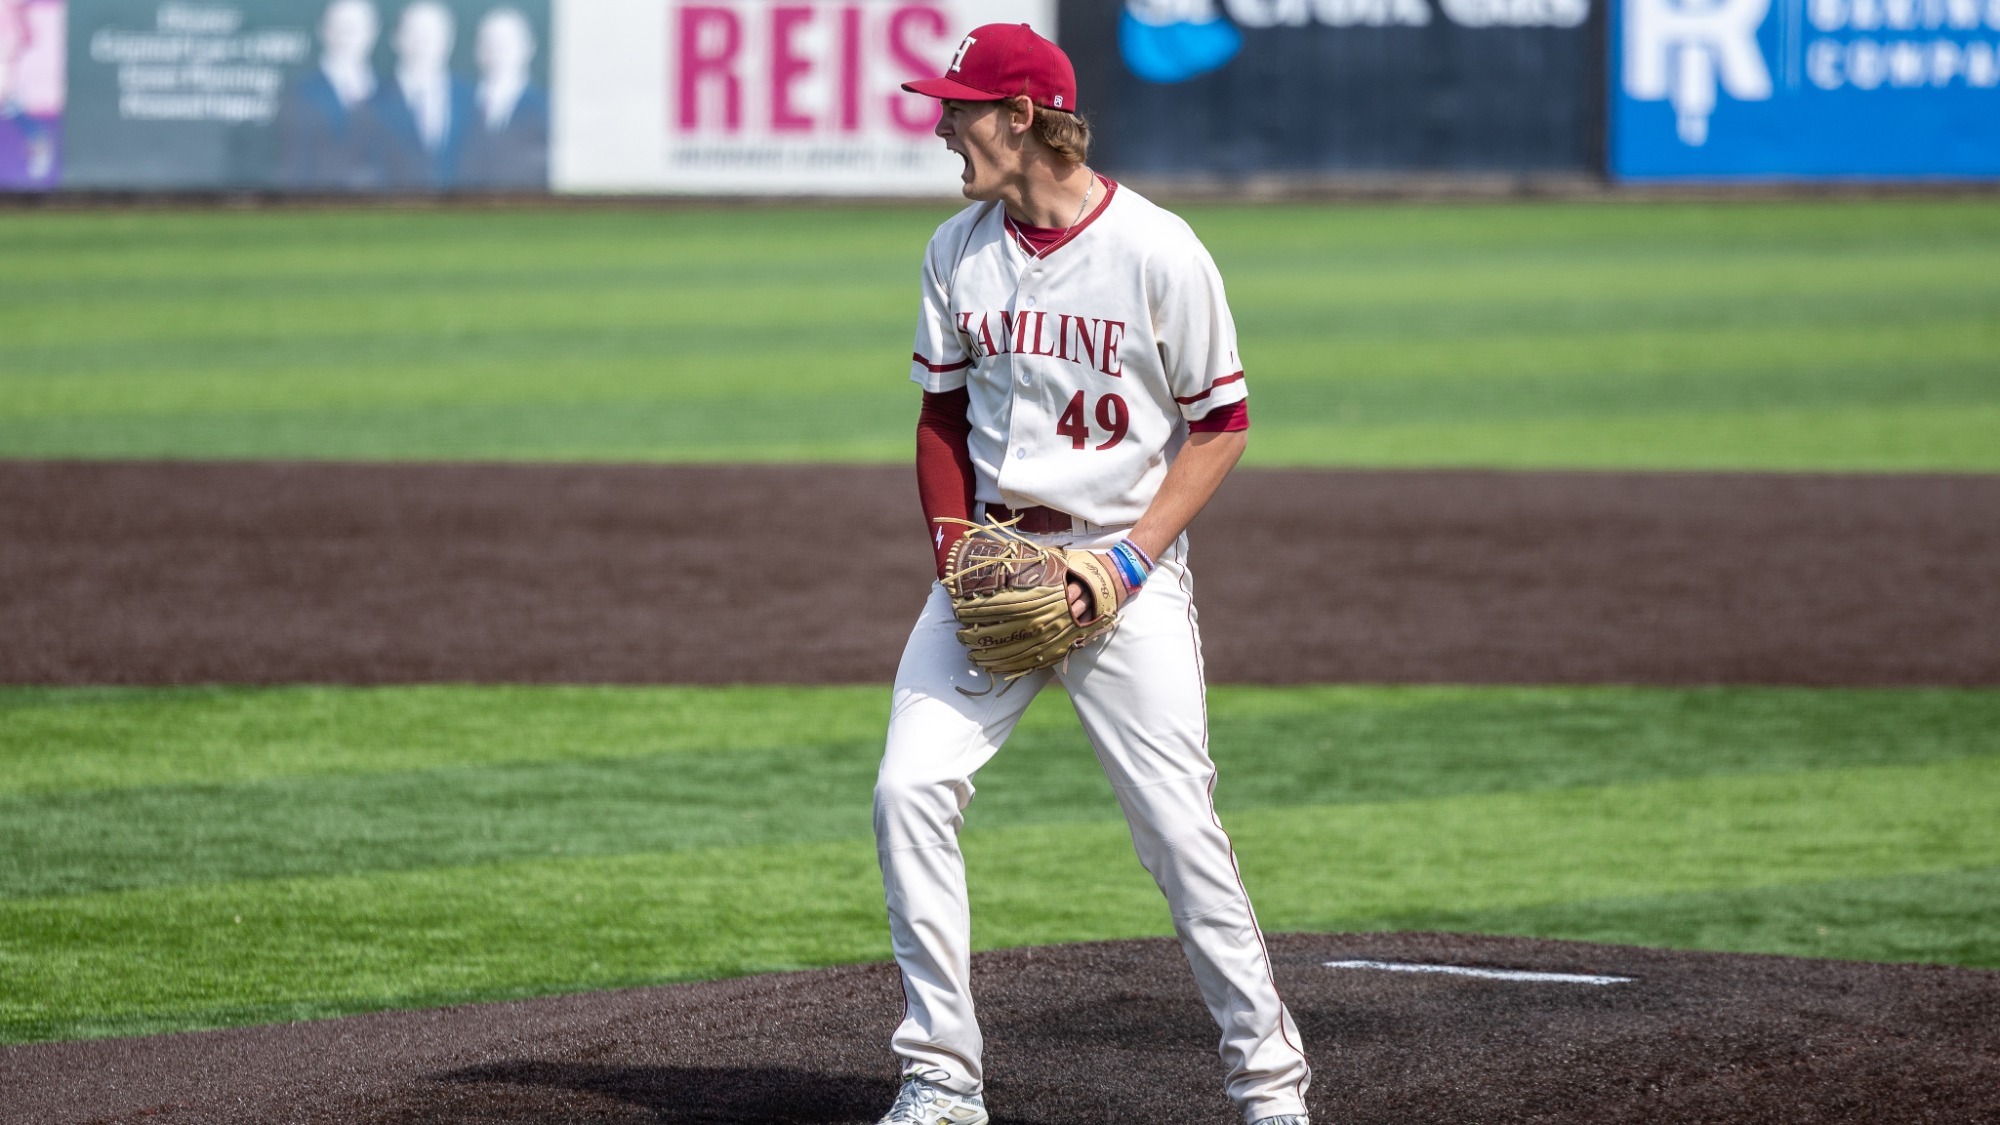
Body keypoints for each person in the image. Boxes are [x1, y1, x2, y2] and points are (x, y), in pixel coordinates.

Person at [871, 23, 1312, 1125]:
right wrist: (952, 553)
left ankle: (1269, 1090)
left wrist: (1123, 559)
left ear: (1020, 118)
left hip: (1126, 571)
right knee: (906, 791)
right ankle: (939, 1080)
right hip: (990, 565)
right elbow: (936, 417)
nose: (939, 126)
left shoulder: (1159, 251)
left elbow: (1222, 427)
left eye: (958, 108)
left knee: (1176, 834)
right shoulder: (954, 250)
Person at [276, 0, 382, 190]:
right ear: (323, 30)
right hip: (320, 203)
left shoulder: (389, 91)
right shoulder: (301, 93)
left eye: (354, 28)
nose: (346, 37)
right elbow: (295, 164)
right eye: (339, 28)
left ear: (372, 32)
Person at [369, 0, 472, 190]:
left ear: (449, 40)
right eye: (414, 32)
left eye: (433, 34)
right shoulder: (369, 104)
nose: (423, 43)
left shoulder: (473, 102)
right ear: (396, 38)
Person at [457, 6, 548, 189]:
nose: (496, 51)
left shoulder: (547, 108)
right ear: (477, 48)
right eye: (488, 42)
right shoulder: (456, 105)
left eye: (506, 43)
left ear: (528, 47)